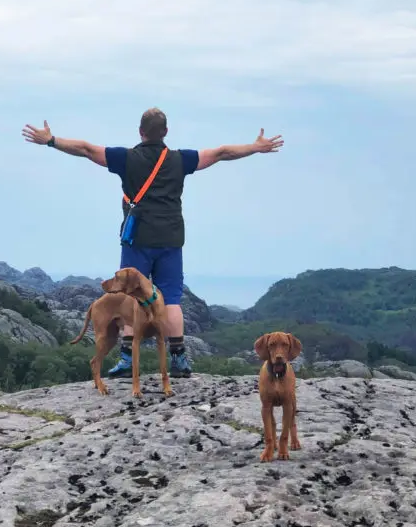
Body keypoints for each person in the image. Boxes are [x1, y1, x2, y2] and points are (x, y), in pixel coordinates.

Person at [22, 107, 283, 379]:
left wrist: (51, 141)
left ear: (140, 132)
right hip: (171, 239)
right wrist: (255, 147)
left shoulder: (126, 158)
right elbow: (220, 153)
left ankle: (126, 360)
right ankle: (179, 359)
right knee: (170, 299)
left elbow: (86, 149)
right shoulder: (180, 160)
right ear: (166, 132)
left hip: (137, 240)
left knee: (129, 298)